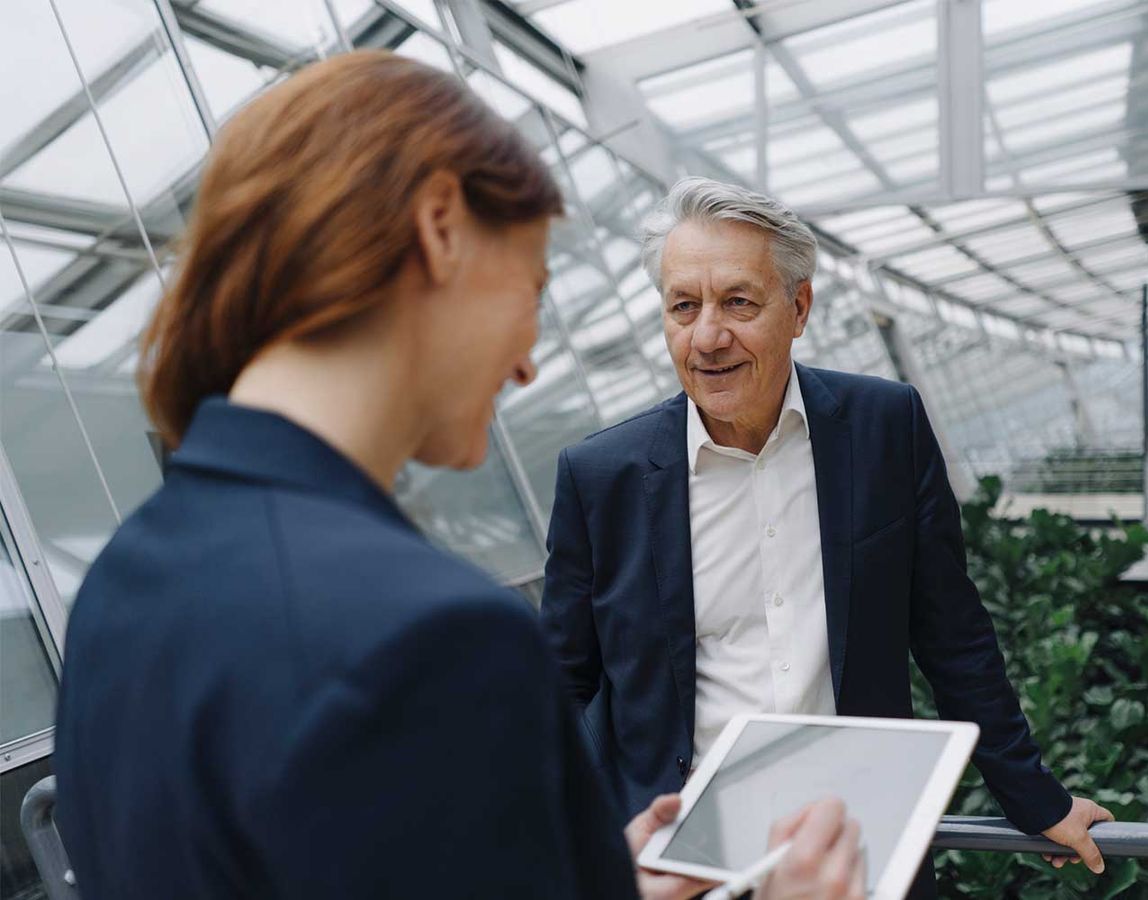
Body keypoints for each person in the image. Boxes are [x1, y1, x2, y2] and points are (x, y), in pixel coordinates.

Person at [52, 53, 863, 900]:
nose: (526, 364)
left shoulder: (122, 586)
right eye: (532, 286)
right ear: (440, 226)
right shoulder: (431, 638)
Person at [540, 177, 1116, 894]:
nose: (709, 336)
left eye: (739, 303)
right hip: (678, 869)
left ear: (799, 307)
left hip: (858, 856)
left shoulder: (885, 429)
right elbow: (560, 686)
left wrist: (1036, 799)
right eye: (683, 306)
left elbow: (951, 633)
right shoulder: (602, 478)